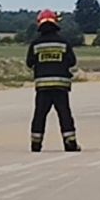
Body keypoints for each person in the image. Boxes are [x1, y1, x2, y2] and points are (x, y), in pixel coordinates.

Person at [26, 9, 81, 152]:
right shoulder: (63, 43)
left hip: (42, 86)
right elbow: (72, 62)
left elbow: (29, 62)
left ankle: (36, 144)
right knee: (64, 113)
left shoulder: (36, 44)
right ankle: (70, 143)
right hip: (61, 86)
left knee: (40, 114)